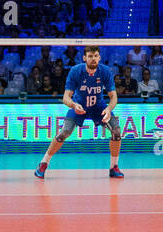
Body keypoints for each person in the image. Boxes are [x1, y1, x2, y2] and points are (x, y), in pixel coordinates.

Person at [34, 46, 123, 178]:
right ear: (84, 58)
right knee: (65, 132)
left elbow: (113, 96)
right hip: (79, 105)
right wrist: (74, 105)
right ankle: (43, 163)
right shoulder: (76, 71)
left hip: (98, 107)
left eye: (96, 56)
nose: (93, 59)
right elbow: (65, 98)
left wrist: (109, 109)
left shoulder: (104, 71)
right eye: (90, 56)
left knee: (116, 131)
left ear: (99, 58)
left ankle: (113, 167)